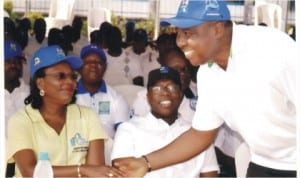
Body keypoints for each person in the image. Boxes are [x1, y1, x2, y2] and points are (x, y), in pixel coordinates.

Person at [113, 0, 297, 177]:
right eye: (178, 33)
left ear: (217, 29)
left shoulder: (273, 51)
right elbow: (201, 135)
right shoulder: (208, 73)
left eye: (188, 33)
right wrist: (146, 163)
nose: (179, 42)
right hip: (263, 163)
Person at [6, 45, 125, 177]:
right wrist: (82, 170)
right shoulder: (21, 120)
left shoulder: (87, 116)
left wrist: (88, 170)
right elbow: (30, 172)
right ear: (40, 83)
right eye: (60, 76)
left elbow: (96, 172)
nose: (70, 82)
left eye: (73, 76)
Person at [112, 66, 219, 178]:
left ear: (181, 95)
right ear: (147, 96)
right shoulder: (129, 130)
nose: (165, 93)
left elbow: (209, 174)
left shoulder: (199, 135)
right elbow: (121, 171)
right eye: (157, 89)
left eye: (172, 87)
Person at [76, 44, 131, 163]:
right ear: (80, 67)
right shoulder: (68, 94)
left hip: (106, 157)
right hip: (74, 154)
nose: (93, 66)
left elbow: (125, 134)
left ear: (105, 67)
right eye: (88, 62)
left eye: (98, 62)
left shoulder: (116, 98)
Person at [4, 40, 30, 177]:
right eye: (7, 61)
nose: (13, 65)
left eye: (17, 61)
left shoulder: (33, 95)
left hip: (24, 166)